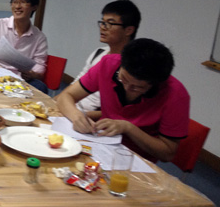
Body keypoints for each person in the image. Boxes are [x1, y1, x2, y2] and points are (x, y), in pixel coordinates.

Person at [57, 38, 189, 163]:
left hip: (135, 160)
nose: (127, 88)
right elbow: (66, 96)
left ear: (155, 84)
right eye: (123, 79)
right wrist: (76, 116)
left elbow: (168, 153)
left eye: (137, 87)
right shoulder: (108, 64)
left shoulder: (176, 95)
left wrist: (128, 128)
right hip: (99, 143)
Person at [68, 0, 141, 115]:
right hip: (72, 109)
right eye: (102, 22)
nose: (102, 27)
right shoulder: (99, 52)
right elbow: (74, 85)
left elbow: (118, 111)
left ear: (129, 30)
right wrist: (56, 103)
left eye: (110, 23)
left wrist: (79, 115)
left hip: (92, 118)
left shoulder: (131, 66)